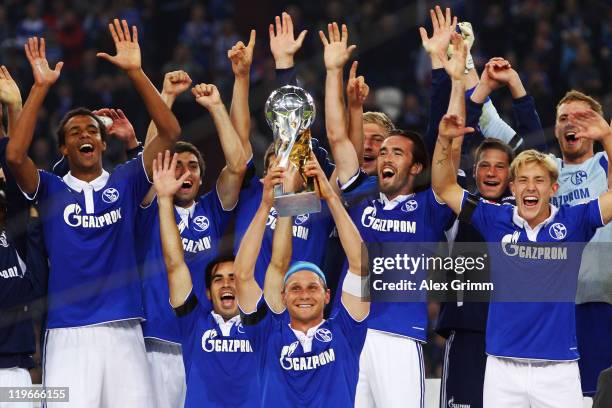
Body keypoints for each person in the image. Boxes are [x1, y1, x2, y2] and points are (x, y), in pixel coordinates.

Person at [431, 32, 612, 408]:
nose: (531, 188)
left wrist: (607, 134)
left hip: (562, 364)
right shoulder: (494, 218)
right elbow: (445, 187)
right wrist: (444, 141)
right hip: (500, 366)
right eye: (523, 181)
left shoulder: (574, 221)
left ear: (553, 188)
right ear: (513, 186)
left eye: (539, 181)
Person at [6, 20, 181, 406]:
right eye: (74, 132)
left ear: (103, 143)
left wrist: (136, 73)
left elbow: (169, 132)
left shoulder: (127, 180)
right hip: (69, 333)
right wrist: (39, 88)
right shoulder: (51, 188)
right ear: (64, 150)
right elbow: (15, 156)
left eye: (91, 130)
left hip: (125, 331)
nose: (84, 135)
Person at [321, 21, 455, 407]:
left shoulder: (431, 206)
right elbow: (336, 137)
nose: (385, 157)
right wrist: (332, 72)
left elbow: (446, 139)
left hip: (400, 334)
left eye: (396, 152)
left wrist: (440, 66)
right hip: (349, 330)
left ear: (416, 167)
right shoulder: (361, 195)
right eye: (382, 152)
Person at [138, 72, 247, 408]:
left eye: (192, 166)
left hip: (203, 341)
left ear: (201, 178)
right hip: (156, 341)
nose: (184, 171)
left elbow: (238, 165)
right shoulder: (148, 206)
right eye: (176, 165)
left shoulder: (213, 209)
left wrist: (216, 106)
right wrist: (167, 96)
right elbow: (147, 161)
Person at [235, 154, 369, 407]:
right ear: (283, 297)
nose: (304, 294)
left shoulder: (345, 330)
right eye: (295, 288)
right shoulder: (268, 335)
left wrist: (330, 195)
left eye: (312, 287)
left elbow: (361, 265)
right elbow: (243, 275)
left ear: (328, 295)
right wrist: (267, 205)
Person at [153, 150, 270, 407]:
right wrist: (163, 200)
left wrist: (266, 206)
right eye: (218, 279)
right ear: (206, 292)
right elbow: (175, 265)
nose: (227, 283)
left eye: (232, 278)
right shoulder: (196, 324)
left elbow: (271, 266)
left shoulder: (262, 327)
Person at [550, 90, 612, 398]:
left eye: (581, 117)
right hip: (554, 308)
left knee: (599, 394)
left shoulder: (604, 161)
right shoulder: (545, 172)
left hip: (602, 302)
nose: (571, 123)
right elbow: (494, 128)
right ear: (555, 129)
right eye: (564, 118)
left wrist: (608, 138)